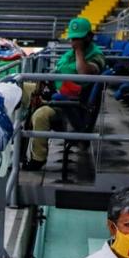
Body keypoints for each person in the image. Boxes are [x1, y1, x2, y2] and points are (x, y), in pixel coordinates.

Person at [22, 17, 106, 171]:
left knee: (40, 115)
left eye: (78, 38)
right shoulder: (69, 54)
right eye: (73, 38)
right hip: (55, 92)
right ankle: (18, 131)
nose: (74, 42)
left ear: (89, 37)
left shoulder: (96, 56)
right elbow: (58, 72)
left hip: (69, 105)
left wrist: (79, 50)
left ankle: (37, 158)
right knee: (18, 87)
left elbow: (83, 73)